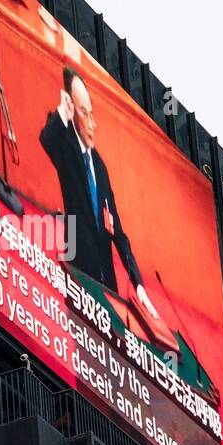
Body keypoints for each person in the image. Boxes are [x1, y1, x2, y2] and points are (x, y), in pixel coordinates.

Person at [39, 67, 161, 321]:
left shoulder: (101, 166)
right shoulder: (66, 146)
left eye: (91, 113)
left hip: (108, 282)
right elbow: (47, 139)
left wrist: (137, 283)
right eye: (83, 112)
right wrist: (63, 112)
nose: (92, 123)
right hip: (78, 270)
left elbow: (117, 231)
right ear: (72, 110)